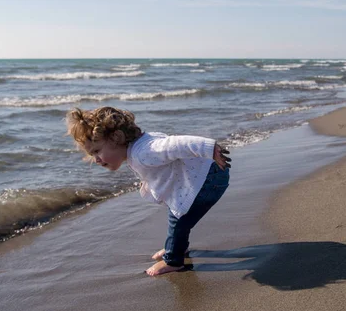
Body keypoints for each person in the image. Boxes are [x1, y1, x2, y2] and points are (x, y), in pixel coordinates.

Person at [66, 106, 231, 276]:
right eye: (92, 154)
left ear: (116, 137)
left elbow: (176, 144)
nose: (97, 159)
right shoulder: (139, 147)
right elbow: (159, 165)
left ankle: (173, 260)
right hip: (204, 175)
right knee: (177, 216)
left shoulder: (143, 152)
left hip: (208, 179)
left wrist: (209, 149)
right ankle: (175, 247)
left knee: (179, 219)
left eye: (97, 151)